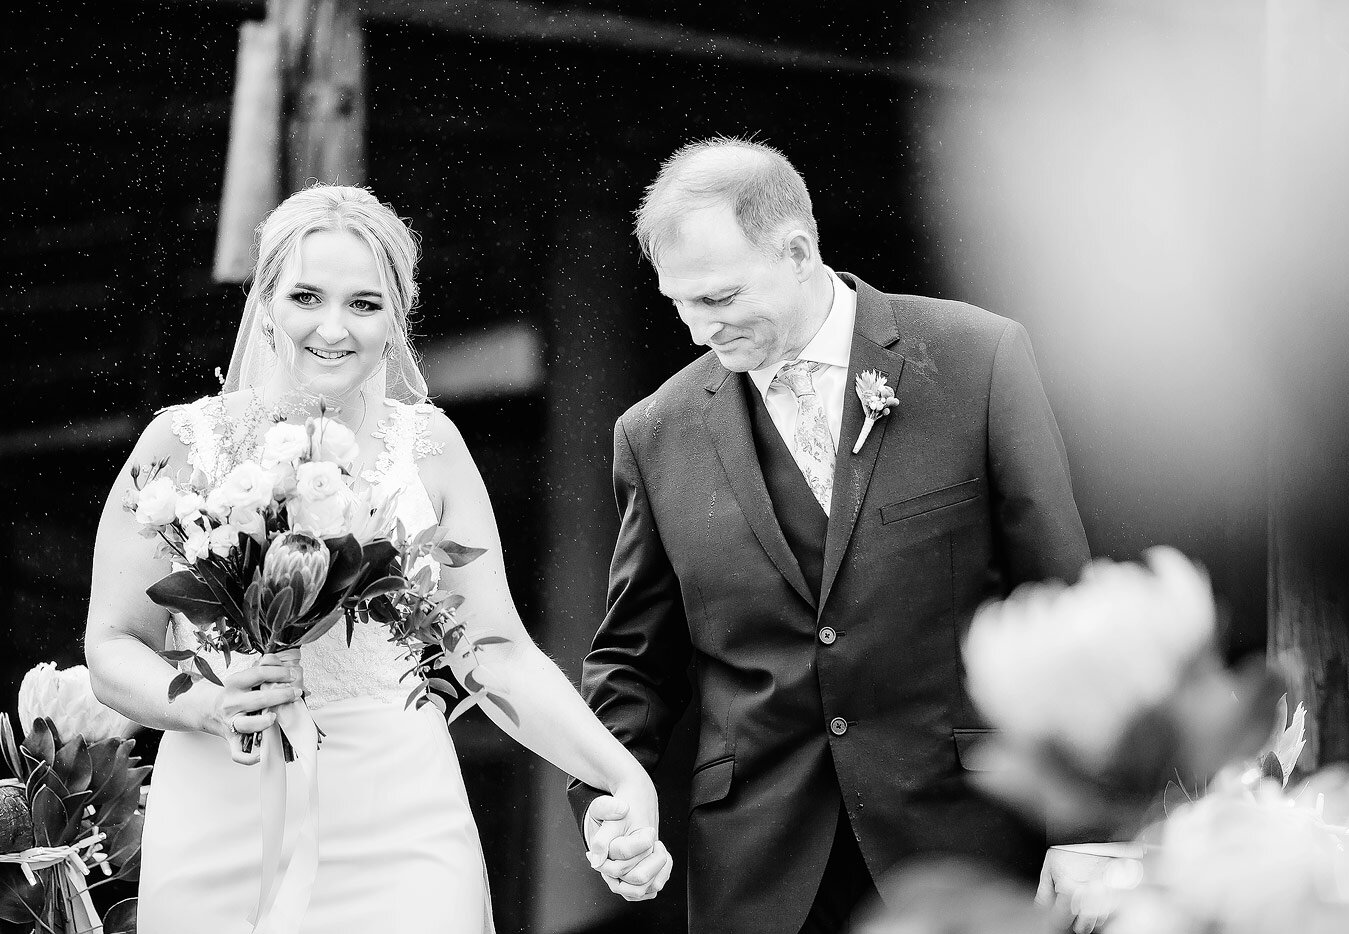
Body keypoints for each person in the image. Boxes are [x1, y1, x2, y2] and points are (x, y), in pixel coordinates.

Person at [85, 184, 672, 933]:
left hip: (400, 813)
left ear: (398, 316)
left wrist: (621, 774)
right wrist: (205, 701)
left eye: (365, 304)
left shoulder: (429, 448)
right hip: (223, 800)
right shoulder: (183, 446)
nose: (333, 328)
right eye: (305, 296)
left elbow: (497, 655)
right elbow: (111, 648)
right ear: (263, 302)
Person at [568, 138, 1091, 934]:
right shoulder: (654, 432)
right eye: (680, 302)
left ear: (799, 251)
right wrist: (610, 795)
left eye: (720, 297)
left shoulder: (978, 360)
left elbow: (1062, 608)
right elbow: (634, 661)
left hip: (966, 842)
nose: (696, 329)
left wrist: (1086, 833)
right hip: (759, 870)